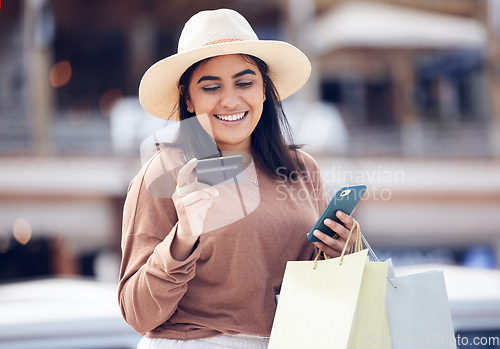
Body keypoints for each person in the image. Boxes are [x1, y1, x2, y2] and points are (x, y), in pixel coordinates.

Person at [119, 8, 358, 349]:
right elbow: (136, 313)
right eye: (210, 86)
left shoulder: (302, 169)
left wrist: (341, 256)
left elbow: (315, 290)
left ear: (264, 89)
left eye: (244, 82)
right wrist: (182, 238)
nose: (230, 99)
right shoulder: (167, 171)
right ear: (188, 97)